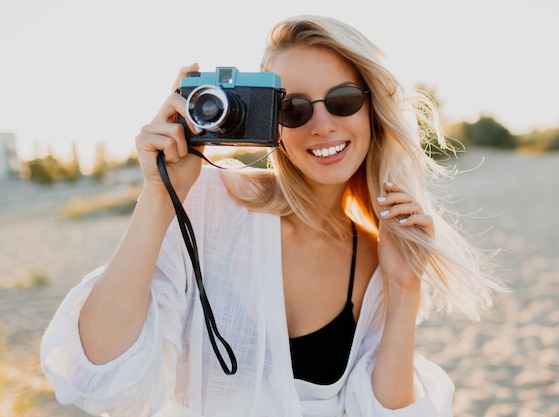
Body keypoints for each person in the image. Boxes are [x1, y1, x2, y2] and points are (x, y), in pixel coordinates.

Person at [41, 14, 504, 417]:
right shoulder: (209, 205)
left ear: (373, 109)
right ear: (270, 123)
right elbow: (95, 371)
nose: (322, 124)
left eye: (343, 100)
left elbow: (386, 410)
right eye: (294, 109)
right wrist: (160, 196)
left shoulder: (379, 253)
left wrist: (403, 288)